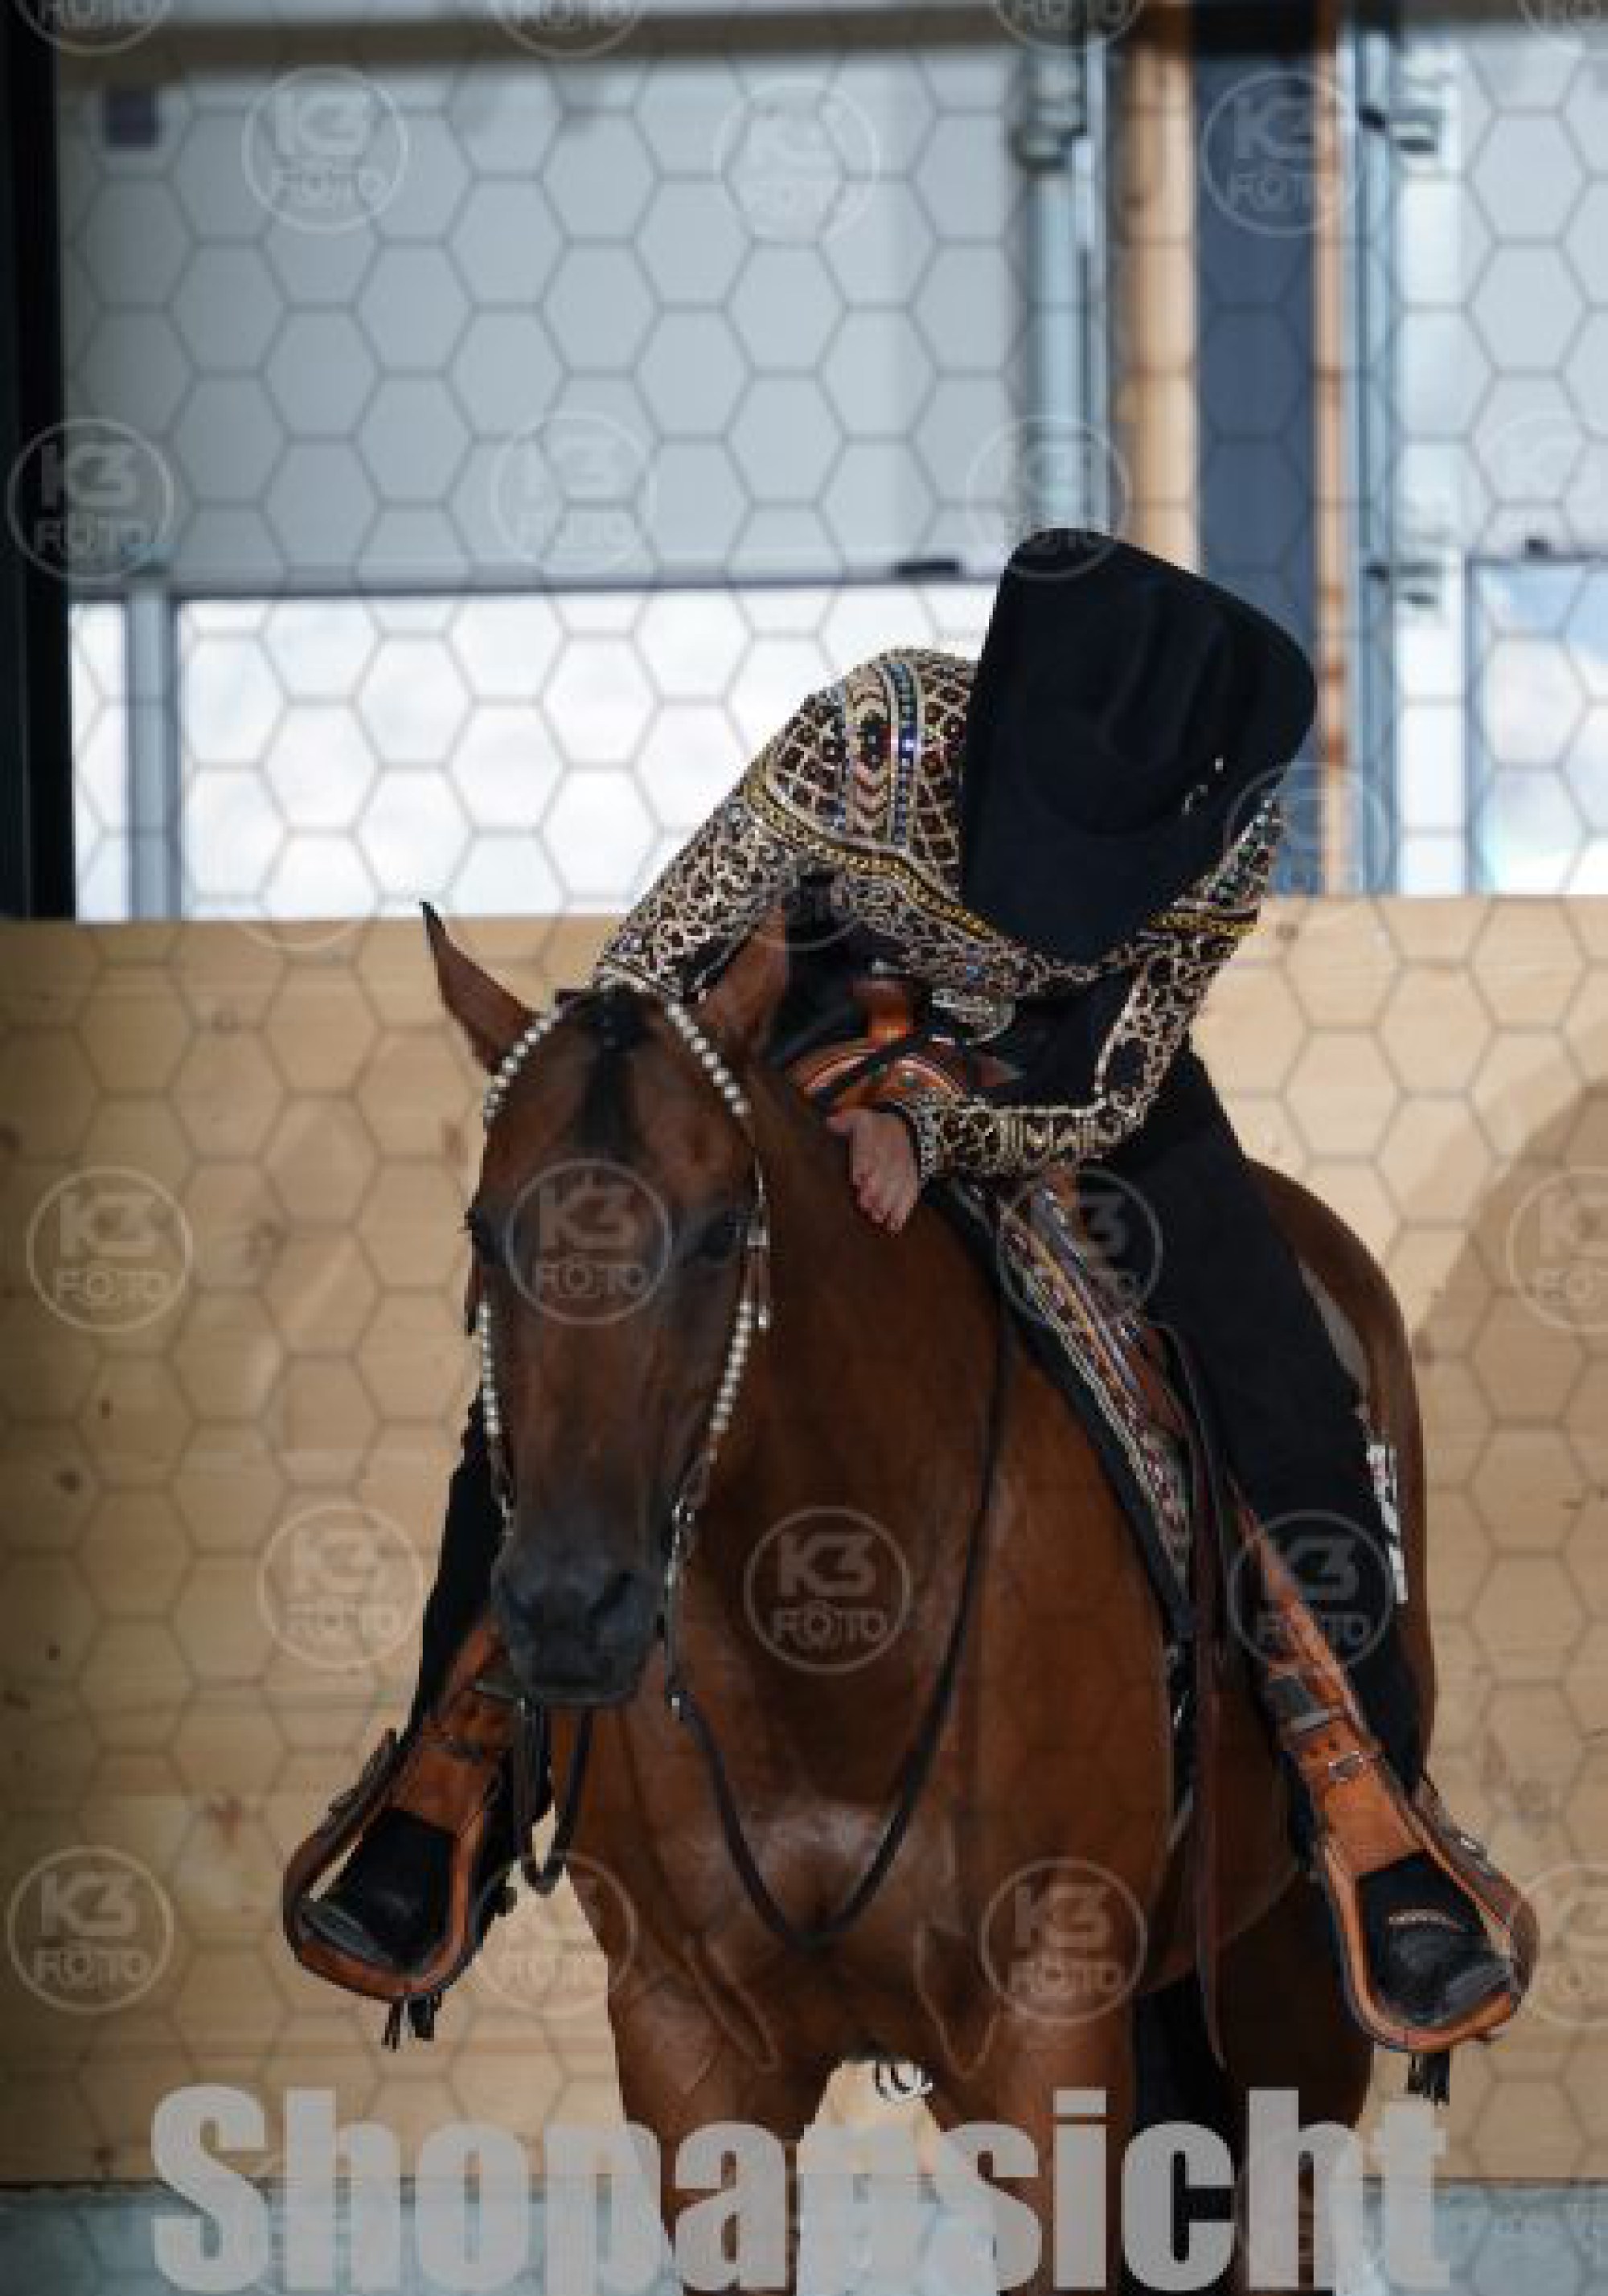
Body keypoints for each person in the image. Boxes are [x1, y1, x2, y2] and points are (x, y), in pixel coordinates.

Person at [303, 529, 1513, 2037]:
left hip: (1070, 1083)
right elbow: (649, 984)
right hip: (808, 1039)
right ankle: (451, 1774)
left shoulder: (1225, 816)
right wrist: (779, 1118)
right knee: (577, 1344)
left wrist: (932, 1129)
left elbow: (1118, 1079)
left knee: (1281, 1378)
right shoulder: (867, 736)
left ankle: (1368, 1805)